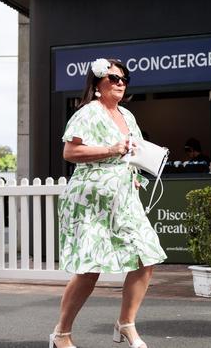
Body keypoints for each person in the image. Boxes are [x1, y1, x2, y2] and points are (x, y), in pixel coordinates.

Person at [51, 58, 166, 348]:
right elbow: (70, 151)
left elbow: (133, 151)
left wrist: (136, 170)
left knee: (146, 256)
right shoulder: (88, 112)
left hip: (124, 196)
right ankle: (61, 333)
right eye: (113, 77)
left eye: (124, 79)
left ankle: (125, 324)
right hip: (89, 200)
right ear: (97, 83)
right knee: (89, 269)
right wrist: (111, 149)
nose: (120, 83)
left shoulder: (127, 115)